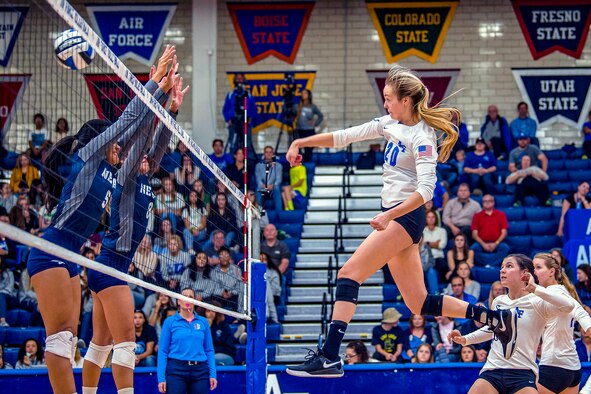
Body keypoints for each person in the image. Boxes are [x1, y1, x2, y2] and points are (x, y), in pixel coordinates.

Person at [285, 66, 517, 378]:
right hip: (398, 217)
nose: (385, 104)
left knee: (349, 273)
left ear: (406, 100)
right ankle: (492, 317)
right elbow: (345, 136)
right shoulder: (390, 123)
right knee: (418, 302)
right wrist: (301, 143)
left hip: (405, 217)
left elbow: (426, 190)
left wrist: (389, 214)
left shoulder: (423, 138)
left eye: (389, 98)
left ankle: (329, 355)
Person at [449, 254, 576, 394]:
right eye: (502, 267)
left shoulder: (537, 302)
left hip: (522, 374)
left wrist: (535, 289)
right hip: (492, 371)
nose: (502, 270)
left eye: (509, 266)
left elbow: (568, 306)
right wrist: (466, 339)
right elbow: (493, 329)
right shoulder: (499, 301)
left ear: (524, 273)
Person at [533, 253, 591, 394]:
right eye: (533, 267)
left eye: (538, 267)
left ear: (551, 271)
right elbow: (584, 318)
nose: (534, 271)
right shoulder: (565, 292)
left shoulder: (548, 294)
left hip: (553, 366)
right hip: (573, 368)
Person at [157, 288, 217, 394]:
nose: (187, 300)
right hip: (176, 370)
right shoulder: (170, 322)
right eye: (184, 297)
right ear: (178, 301)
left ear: (195, 301)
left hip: (200, 370)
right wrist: (161, 378)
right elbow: (162, 351)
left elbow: (209, 350)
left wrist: (213, 374)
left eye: (190, 297)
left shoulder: (203, 322)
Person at [470, 195, 510, 267]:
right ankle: (489, 264)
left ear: (493, 202)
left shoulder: (501, 215)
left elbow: (504, 233)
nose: (487, 203)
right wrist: (483, 244)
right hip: (481, 243)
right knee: (473, 248)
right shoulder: (477, 216)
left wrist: (496, 243)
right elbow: (474, 234)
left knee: (505, 248)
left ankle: (490, 265)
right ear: (482, 203)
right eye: (485, 201)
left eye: (489, 201)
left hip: (497, 242)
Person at [222, 73, 256, 154]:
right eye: (238, 78)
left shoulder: (249, 95)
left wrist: (250, 118)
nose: (239, 80)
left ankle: (248, 163)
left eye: (241, 78)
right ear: (234, 81)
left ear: (244, 80)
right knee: (233, 144)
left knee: (247, 144)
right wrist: (228, 119)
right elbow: (225, 110)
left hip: (245, 123)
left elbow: (254, 109)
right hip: (233, 123)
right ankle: (232, 163)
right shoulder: (230, 95)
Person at [202, 301, 236, 365]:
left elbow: (229, 347)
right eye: (208, 311)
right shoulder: (199, 326)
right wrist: (208, 327)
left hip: (223, 354)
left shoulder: (223, 326)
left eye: (213, 311)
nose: (211, 313)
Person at [294, 89, 324, 162]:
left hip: (309, 130)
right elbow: (291, 116)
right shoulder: (297, 106)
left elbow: (321, 116)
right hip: (299, 130)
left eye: (305, 93)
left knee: (308, 150)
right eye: (302, 93)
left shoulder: (312, 106)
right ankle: (299, 165)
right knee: (298, 149)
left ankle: (307, 165)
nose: (303, 95)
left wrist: (315, 123)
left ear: (309, 95)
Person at [255, 146, 283, 213]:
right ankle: (259, 212)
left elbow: (278, 179)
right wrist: (263, 185)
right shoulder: (258, 166)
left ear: (273, 154)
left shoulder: (278, 166)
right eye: (267, 152)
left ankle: (279, 213)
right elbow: (258, 179)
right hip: (263, 187)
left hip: (273, 187)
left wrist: (272, 185)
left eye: (270, 152)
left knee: (276, 188)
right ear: (264, 154)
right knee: (258, 188)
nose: (269, 154)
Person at [422, 209, 447, 281]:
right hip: (425, 257)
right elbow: (421, 246)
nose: (431, 219)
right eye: (428, 217)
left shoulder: (442, 231)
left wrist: (427, 243)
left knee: (444, 265)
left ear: (436, 219)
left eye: (433, 217)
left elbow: (442, 245)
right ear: (425, 219)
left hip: (438, 256)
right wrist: (435, 243)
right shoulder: (421, 231)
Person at [0, 257, 16, 327]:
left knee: (1, 295)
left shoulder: (9, 272)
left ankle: (3, 321)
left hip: (8, 297)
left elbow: (10, 289)